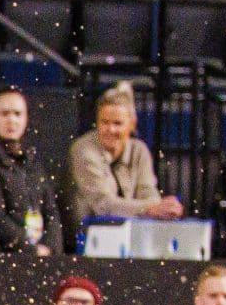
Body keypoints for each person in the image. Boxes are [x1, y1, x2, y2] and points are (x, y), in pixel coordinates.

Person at [66, 80, 185, 226]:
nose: (110, 130)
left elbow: (149, 194)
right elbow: (103, 205)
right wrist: (149, 208)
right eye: (104, 122)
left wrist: (161, 208)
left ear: (132, 124)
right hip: (89, 235)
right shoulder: (83, 150)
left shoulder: (139, 150)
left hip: (132, 232)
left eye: (117, 123)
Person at [0, 86, 66, 256]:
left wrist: (49, 247)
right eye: (5, 113)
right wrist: (30, 249)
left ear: (26, 119)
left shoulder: (32, 159)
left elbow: (51, 211)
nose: (12, 120)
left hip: (42, 256)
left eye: (18, 114)